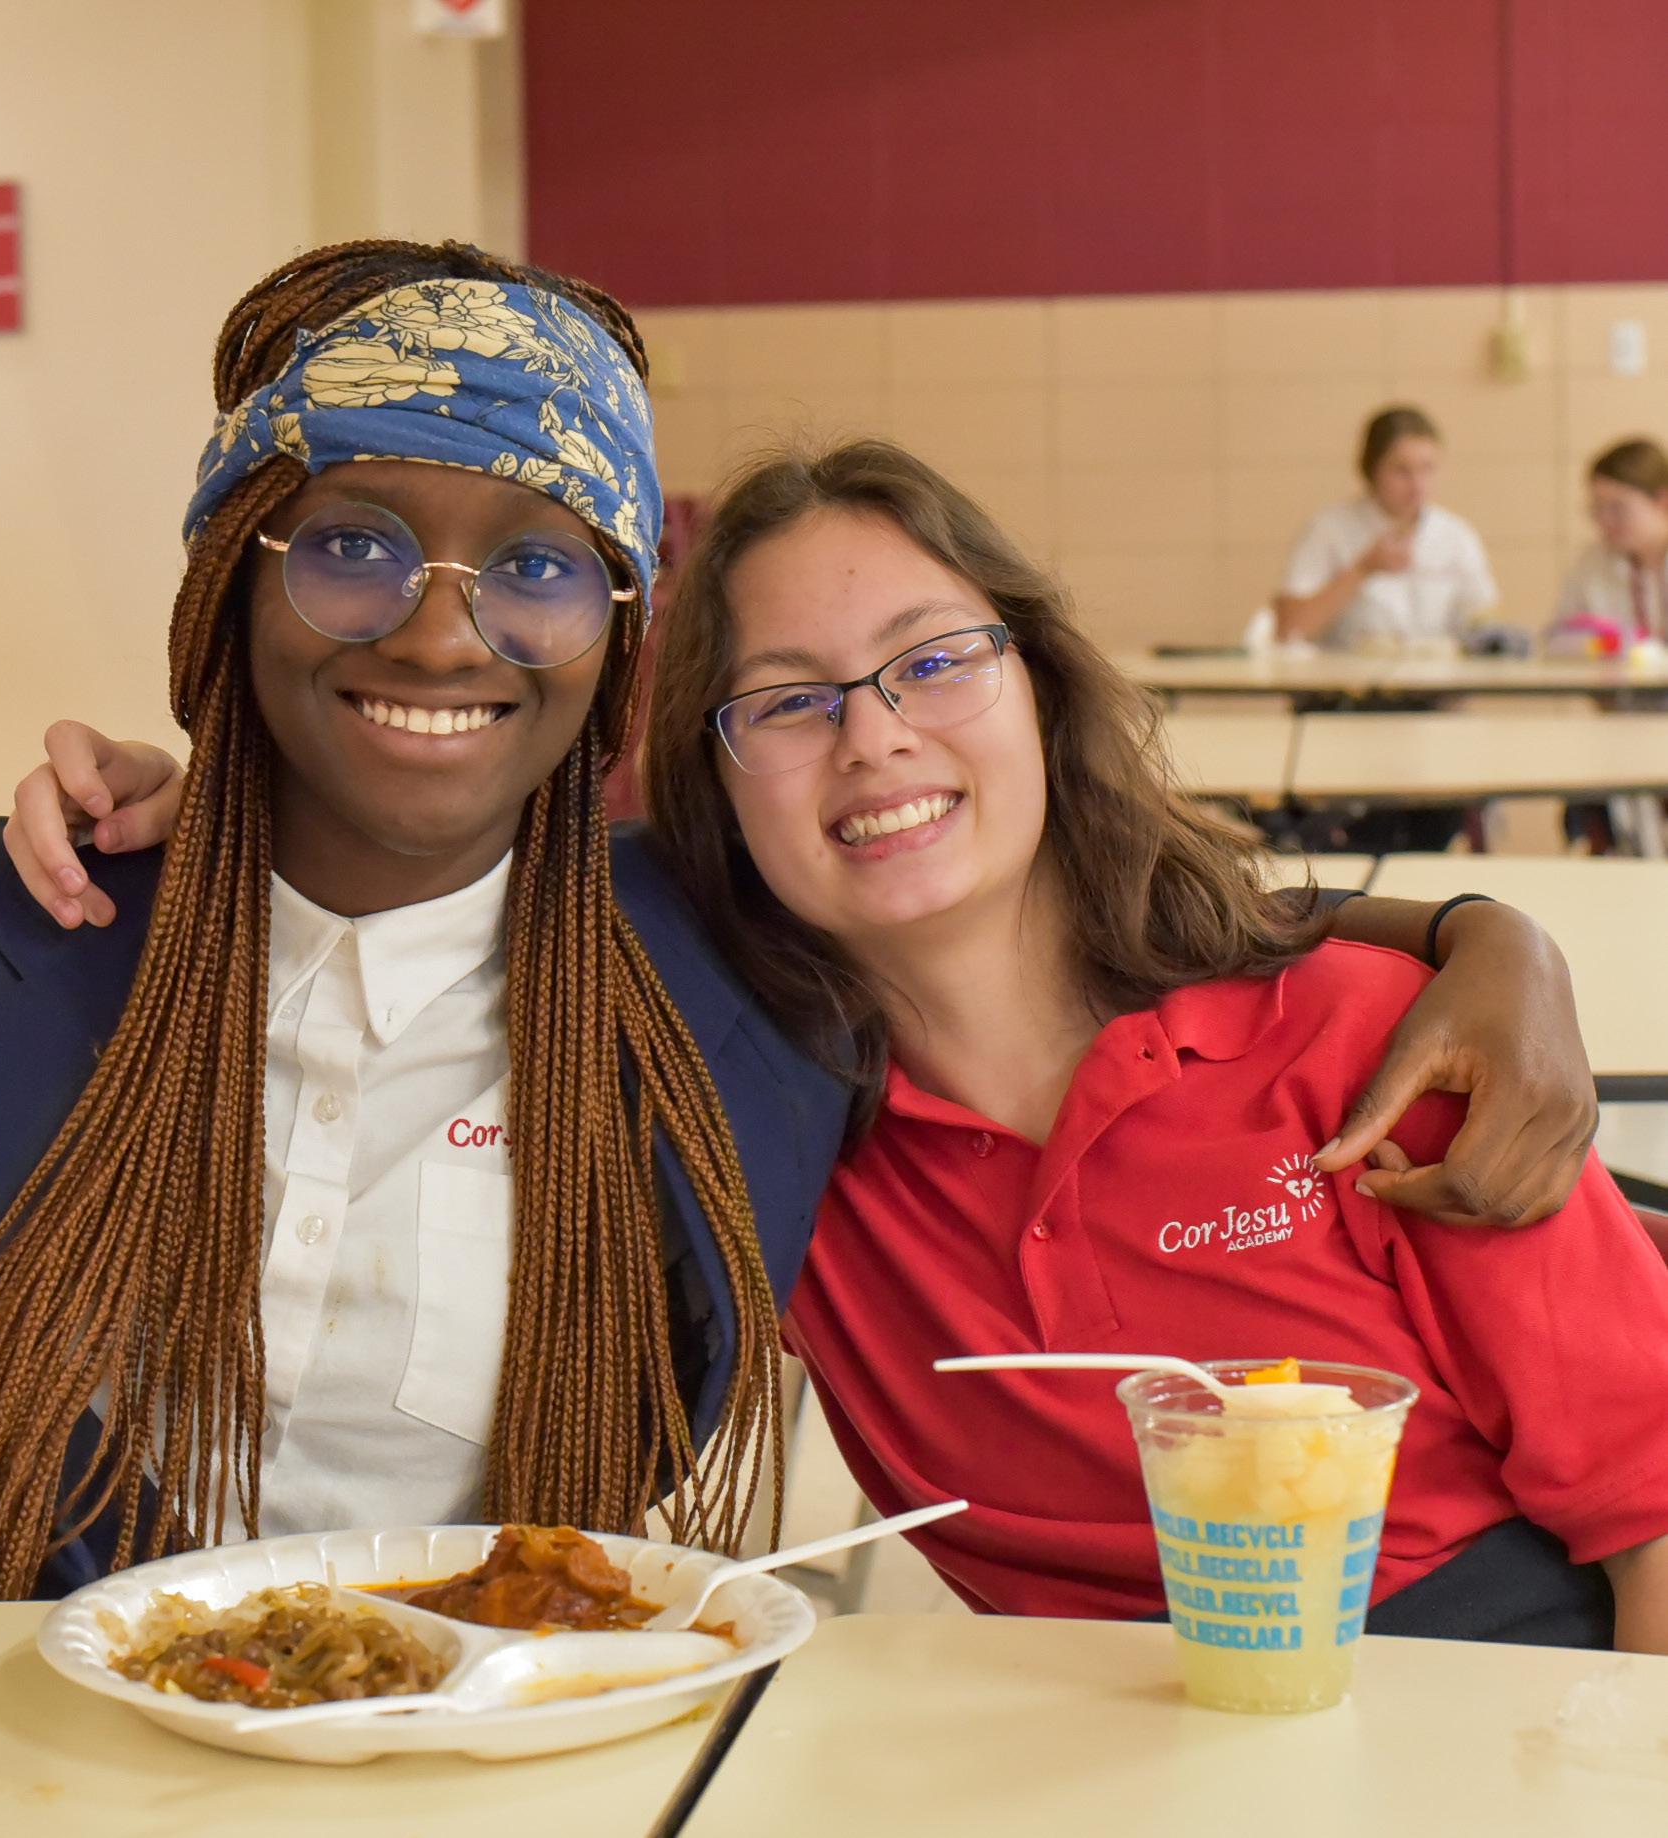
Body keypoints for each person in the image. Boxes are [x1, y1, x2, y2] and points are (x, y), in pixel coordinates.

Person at [0, 239, 842, 1607]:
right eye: (352, 546)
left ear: (617, 638)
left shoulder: (756, 996)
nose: (439, 635)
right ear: (232, 575)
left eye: (537, 563)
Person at [639, 437, 1668, 1649]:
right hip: (1110, 1736)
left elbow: (1651, 1516)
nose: (871, 736)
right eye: (786, 701)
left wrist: (1487, 931)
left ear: (1040, 688)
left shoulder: (1377, 1045)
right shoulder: (762, 1148)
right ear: (718, 790)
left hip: (1517, 1700)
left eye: (932, 660)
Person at [1272, 405, 1497, 651]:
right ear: (1371, 470)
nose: (1418, 485)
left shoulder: (1456, 535)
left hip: (1436, 673)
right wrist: (1362, 569)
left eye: (1427, 468)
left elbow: (1483, 620)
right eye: (1402, 471)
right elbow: (1288, 628)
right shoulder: (1329, 529)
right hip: (1348, 673)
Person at [1550, 438, 1668, 651]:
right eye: (1597, 508)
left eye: (1618, 508)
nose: (1605, 520)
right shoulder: (1592, 564)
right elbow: (1558, 640)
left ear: (1662, 500)